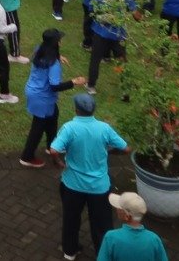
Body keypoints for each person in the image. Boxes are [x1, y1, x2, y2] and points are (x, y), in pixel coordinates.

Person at [49, 92, 129, 260]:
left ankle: (70, 251)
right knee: (101, 223)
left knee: (71, 219)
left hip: (72, 184)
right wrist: (111, 152)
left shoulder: (69, 127)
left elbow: (54, 150)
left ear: (76, 109)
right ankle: (102, 253)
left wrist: (58, 162)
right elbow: (126, 149)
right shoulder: (104, 128)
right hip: (99, 187)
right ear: (93, 110)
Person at [22, 29, 85, 168]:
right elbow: (54, 86)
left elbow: (46, 53)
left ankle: (51, 146)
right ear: (55, 43)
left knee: (53, 115)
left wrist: (58, 56)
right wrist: (74, 81)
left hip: (34, 91)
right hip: (42, 98)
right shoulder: (53, 65)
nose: (61, 41)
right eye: (59, 39)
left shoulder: (40, 48)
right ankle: (26, 157)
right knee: (37, 127)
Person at [95, 192, 168, 261]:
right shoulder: (154, 239)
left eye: (120, 208)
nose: (117, 209)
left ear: (127, 216)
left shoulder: (110, 237)